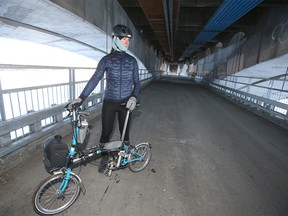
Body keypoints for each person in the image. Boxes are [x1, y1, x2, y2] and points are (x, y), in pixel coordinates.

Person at [68, 24, 140, 173]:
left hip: (126, 103)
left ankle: (125, 155)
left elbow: (137, 82)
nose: (127, 42)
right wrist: (81, 98)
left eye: (128, 39)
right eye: (124, 39)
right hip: (109, 102)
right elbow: (95, 79)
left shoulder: (132, 61)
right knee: (105, 133)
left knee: (124, 133)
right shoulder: (106, 60)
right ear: (115, 39)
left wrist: (134, 96)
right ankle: (104, 157)